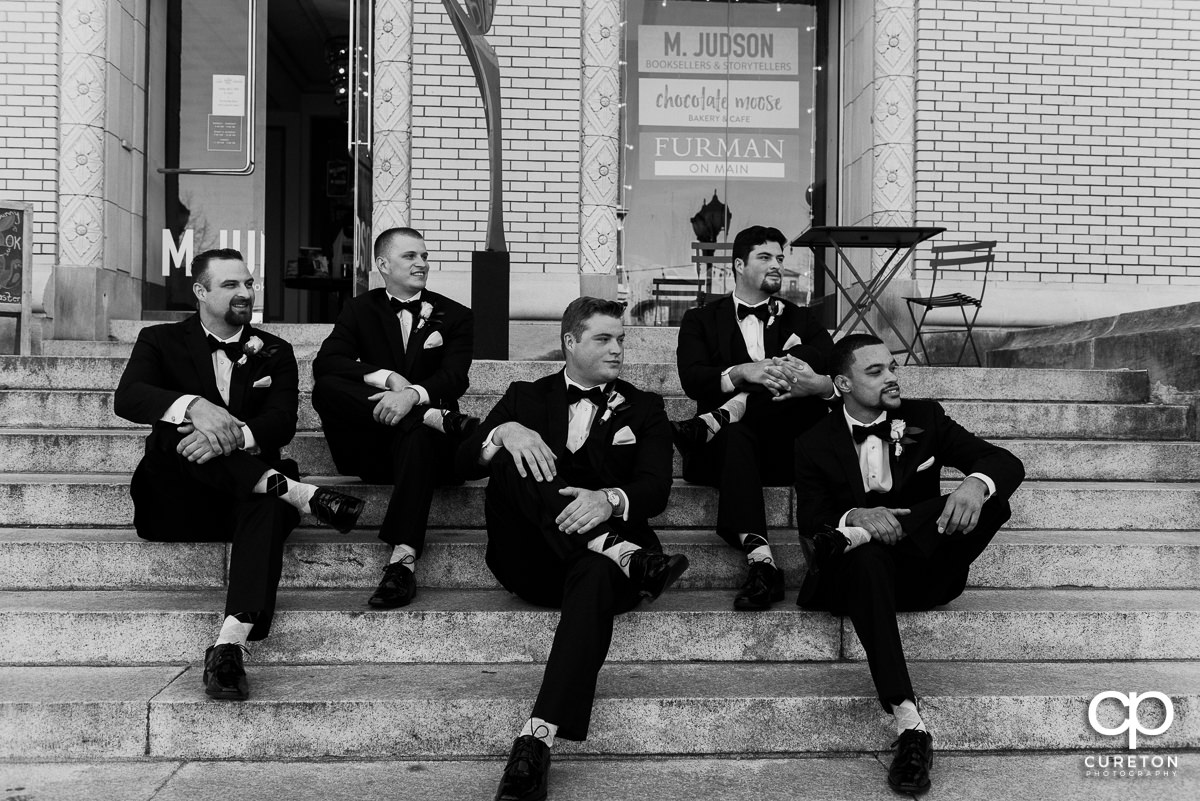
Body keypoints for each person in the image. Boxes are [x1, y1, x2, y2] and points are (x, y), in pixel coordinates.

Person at [455, 297, 688, 801]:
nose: (618, 349)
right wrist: (504, 430)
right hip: (531, 562)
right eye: (604, 338)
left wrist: (608, 501)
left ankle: (536, 738)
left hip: (596, 573)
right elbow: (464, 460)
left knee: (598, 574)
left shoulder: (645, 406)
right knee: (512, 458)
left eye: (622, 339)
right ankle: (620, 551)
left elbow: (656, 490)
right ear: (570, 342)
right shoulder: (524, 396)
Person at [114, 248, 365, 701]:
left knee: (265, 504)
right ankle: (302, 494)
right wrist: (195, 406)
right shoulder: (158, 340)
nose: (245, 293)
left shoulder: (274, 351)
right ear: (200, 292)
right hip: (176, 501)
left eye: (248, 283)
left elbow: (281, 423)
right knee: (176, 434)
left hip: (243, 500)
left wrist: (226, 434)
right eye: (231, 285)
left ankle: (229, 643)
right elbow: (129, 398)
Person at [793, 334, 1025, 794]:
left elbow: (1004, 461)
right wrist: (854, 516)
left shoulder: (924, 417)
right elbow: (811, 520)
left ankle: (872, 533)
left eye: (892, 366)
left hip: (925, 572)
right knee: (865, 554)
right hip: (857, 581)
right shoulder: (814, 442)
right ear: (842, 383)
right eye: (875, 372)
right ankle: (909, 724)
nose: (891, 377)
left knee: (993, 502)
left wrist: (974, 485)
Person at [312, 226, 477, 609]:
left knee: (419, 436)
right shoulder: (358, 309)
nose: (422, 263)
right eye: (410, 256)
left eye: (424, 256)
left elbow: (455, 377)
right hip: (372, 450)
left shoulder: (456, 316)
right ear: (383, 264)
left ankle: (402, 562)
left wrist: (411, 397)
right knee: (327, 387)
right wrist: (389, 380)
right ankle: (429, 416)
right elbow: (328, 362)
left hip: (429, 455)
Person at [674, 224, 836, 610]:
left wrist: (787, 369)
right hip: (730, 456)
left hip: (788, 448)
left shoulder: (802, 318)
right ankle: (762, 564)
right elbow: (693, 378)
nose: (776, 265)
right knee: (735, 436)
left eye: (780, 258)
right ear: (739, 264)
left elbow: (829, 358)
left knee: (752, 409)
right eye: (765, 257)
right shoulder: (700, 320)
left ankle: (722, 416)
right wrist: (743, 373)